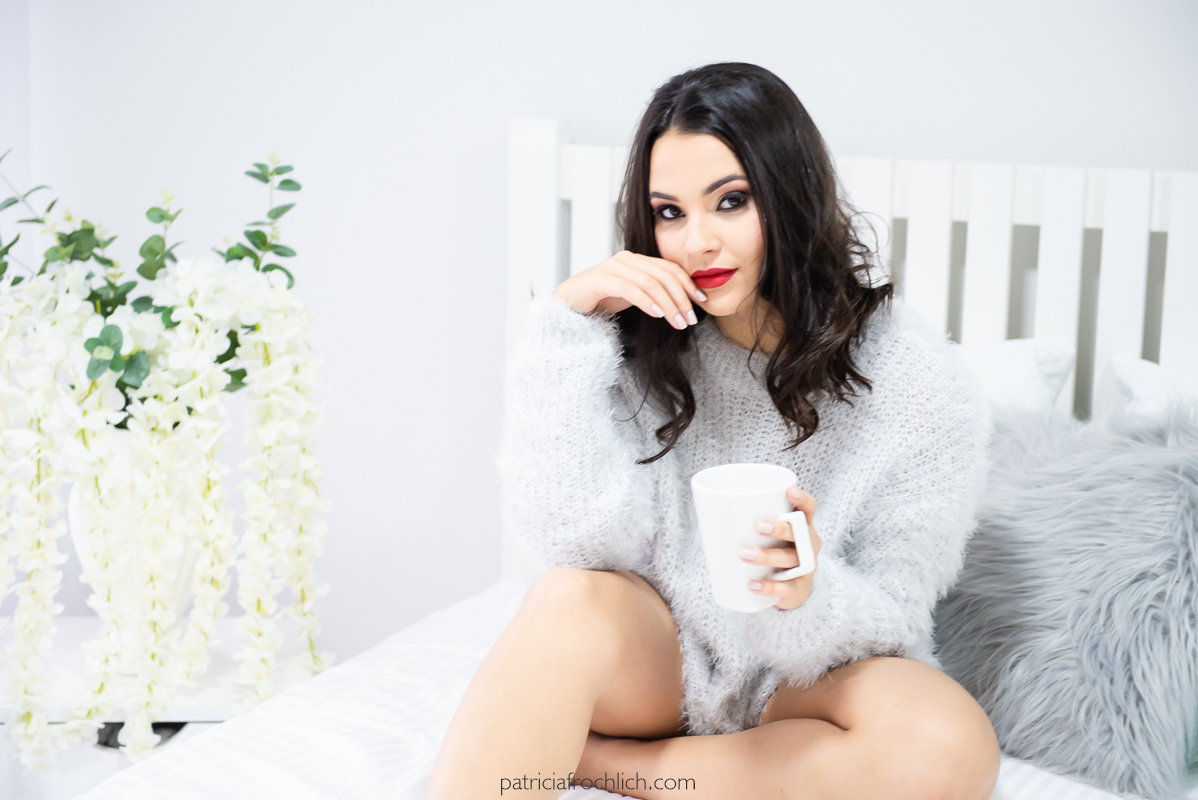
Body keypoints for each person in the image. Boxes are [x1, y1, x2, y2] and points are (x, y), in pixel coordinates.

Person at [425, 62, 1000, 800]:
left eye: (730, 202)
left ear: (791, 197)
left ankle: (596, 764)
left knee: (948, 743)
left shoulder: (918, 381)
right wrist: (564, 328)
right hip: (663, 663)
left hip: (812, 679)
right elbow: (580, 548)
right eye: (670, 213)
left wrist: (804, 593)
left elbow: (893, 613)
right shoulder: (636, 339)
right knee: (568, 598)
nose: (697, 242)